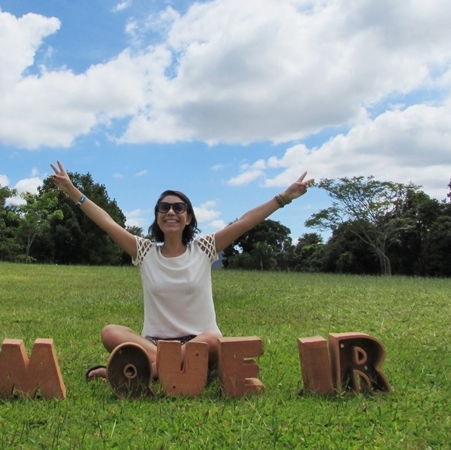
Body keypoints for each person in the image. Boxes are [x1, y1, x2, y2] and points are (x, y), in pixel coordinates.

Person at [49, 160, 314, 381]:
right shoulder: (144, 251)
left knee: (213, 340)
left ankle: (141, 372)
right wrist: (73, 192)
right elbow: (107, 223)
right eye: (164, 208)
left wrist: (284, 198)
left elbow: (244, 222)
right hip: (153, 344)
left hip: (197, 343)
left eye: (179, 207)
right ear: (157, 217)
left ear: (188, 218)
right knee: (110, 332)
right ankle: (174, 369)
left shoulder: (204, 248)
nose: (171, 212)